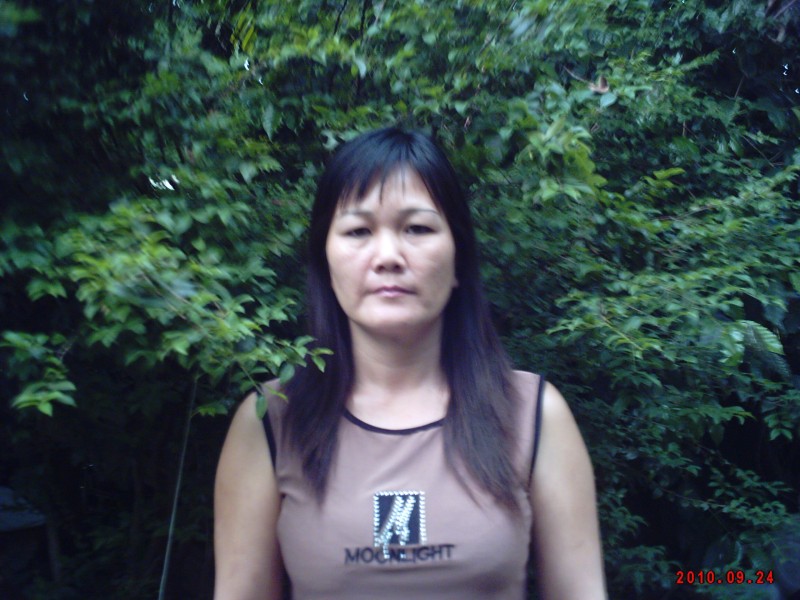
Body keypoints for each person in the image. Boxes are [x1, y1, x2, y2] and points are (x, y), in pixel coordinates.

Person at [213, 128, 607, 599]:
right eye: (358, 231)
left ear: (458, 257)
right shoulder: (271, 420)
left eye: (417, 229)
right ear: (325, 262)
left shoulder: (533, 413)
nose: (388, 257)